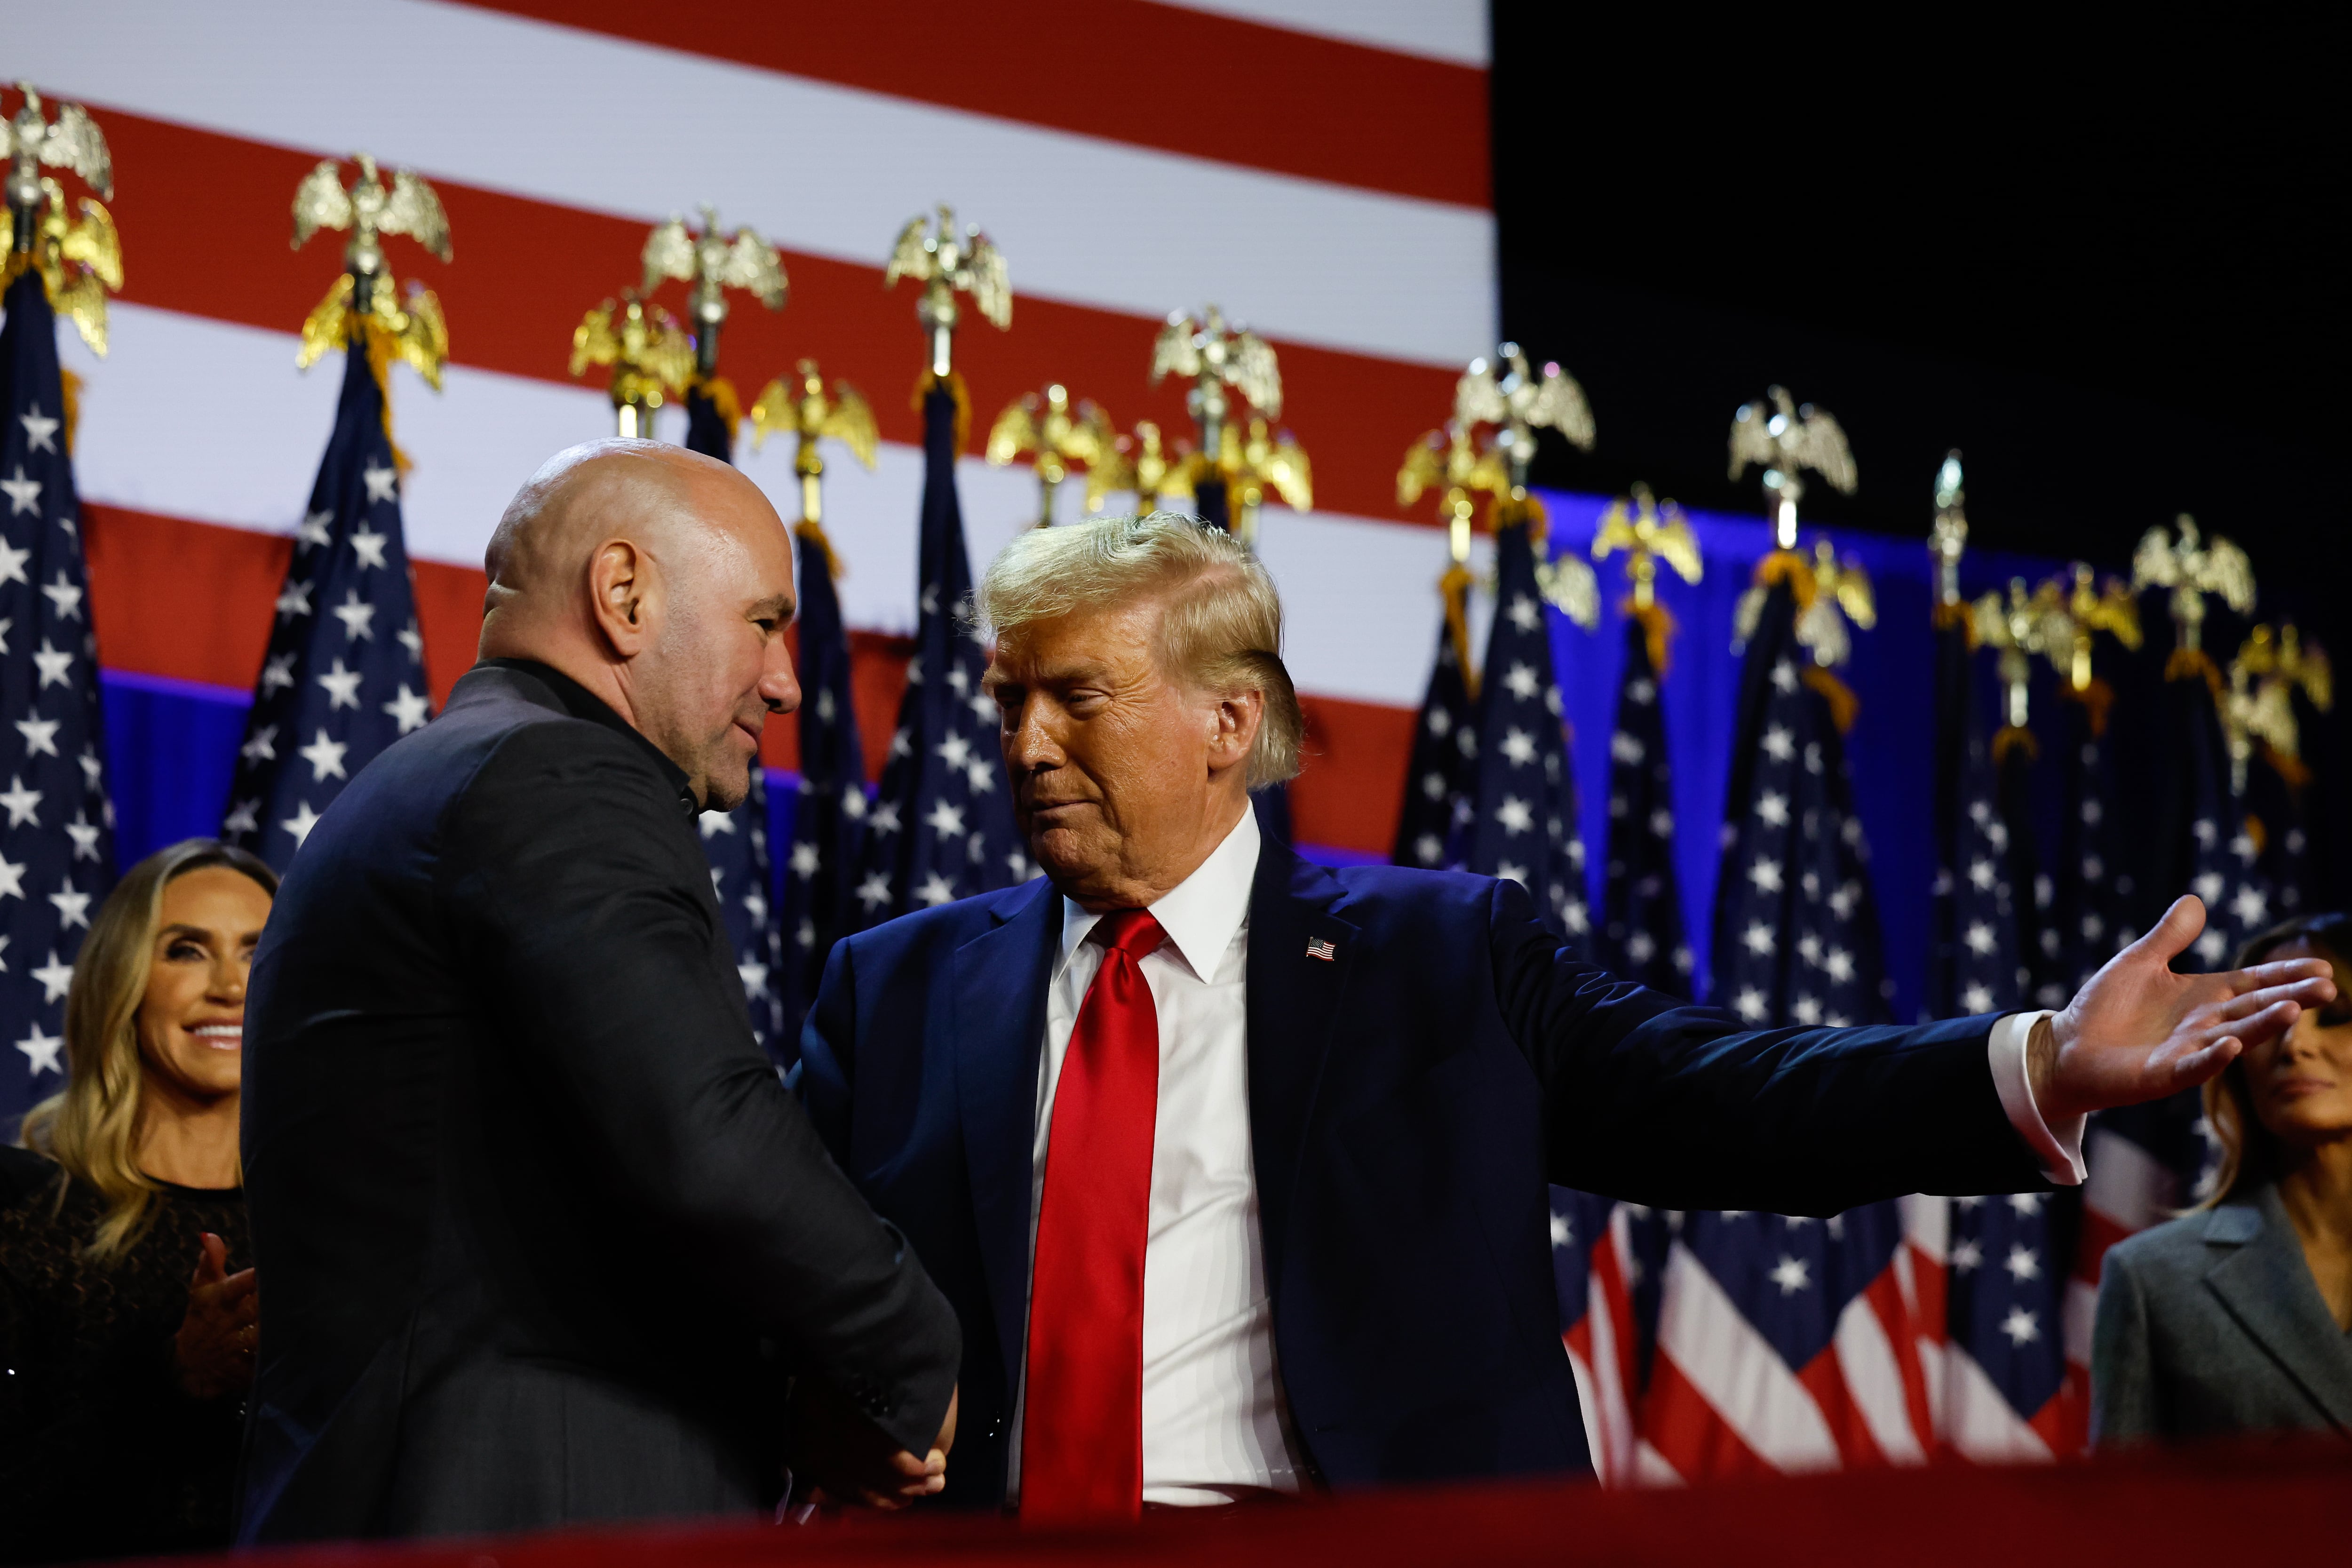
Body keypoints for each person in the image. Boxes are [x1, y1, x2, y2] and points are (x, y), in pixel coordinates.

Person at [798, 512, 2336, 1518]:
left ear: (1229, 720)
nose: (1021, 741)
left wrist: (2041, 1060)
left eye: (1074, 696)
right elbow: (772, 1247)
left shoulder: (1444, 952)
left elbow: (1726, 1093)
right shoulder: (901, 984)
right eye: (1007, 701)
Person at [236, 440, 960, 1543]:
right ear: (624, 595)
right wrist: (913, 1363)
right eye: (764, 623)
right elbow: (703, 1136)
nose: (785, 681)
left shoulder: (429, 779)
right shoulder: (559, 776)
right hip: (523, 1506)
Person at [1, 839, 277, 1562]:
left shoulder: (350, 1224)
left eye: (259, 950)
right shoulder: (24, 1221)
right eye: (187, 950)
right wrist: (178, 1381)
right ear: (121, 980)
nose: (230, 986)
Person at [2091, 911, 2352, 1444]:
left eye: (2332, 1014)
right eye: (2266, 1021)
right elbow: (2118, 1522)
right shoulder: (2152, 1279)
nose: (2293, 1047)